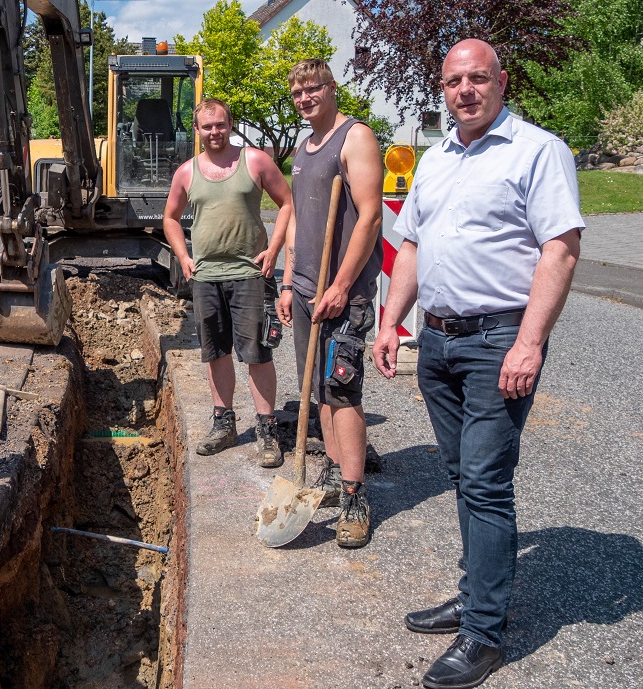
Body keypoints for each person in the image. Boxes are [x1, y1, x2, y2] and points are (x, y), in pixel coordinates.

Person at [372, 39, 583, 689]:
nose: (465, 89)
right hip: (436, 343)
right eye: (454, 80)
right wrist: (391, 320)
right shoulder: (435, 160)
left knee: (486, 481)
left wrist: (530, 341)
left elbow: (561, 248)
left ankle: (485, 633)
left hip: (499, 341)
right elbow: (410, 245)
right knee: (464, 475)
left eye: (478, 78)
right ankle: (475, 594)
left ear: (501, 81)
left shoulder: (537, 151)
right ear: (443, 89)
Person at [276, 58, 383, 550]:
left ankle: (356, 497)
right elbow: (296, 217)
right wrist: (286, 281)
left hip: (344, 294)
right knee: (316, 390)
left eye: (313, 89)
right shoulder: (303, 148)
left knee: (342, 393)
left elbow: (370, 218)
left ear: (331, 88)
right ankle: (335, 470)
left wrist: (341, 286)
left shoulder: (354, 138)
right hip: (302, 289)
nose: (305, 99)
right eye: (298, 93)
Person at [164, 97, 293, 467]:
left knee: (256, 353)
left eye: (220, 125)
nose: (214, 132)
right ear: (197, 130)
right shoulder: (187, 172)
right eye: (207, 127)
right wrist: (183, 257)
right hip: (206, 277)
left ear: (230, 124)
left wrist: (274, 250)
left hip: (249, 275)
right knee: (215, 351)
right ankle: (224, 424)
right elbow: (171, 218)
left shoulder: (254, 161)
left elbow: (286, 202)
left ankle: (267, 430)